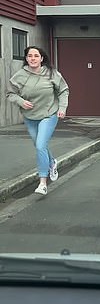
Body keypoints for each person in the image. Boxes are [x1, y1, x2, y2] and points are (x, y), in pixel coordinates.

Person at [7, 46, 69, 196]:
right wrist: (21, 101)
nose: (33, 58)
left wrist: (62, 107)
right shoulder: (19, 76)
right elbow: (10, 94)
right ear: (26, 59)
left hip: (49, 114)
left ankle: (42, 182)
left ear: (42, 58)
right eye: (30, 56)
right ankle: (52, 162)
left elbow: (63, 90)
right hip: (30, 116)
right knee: (38, 145)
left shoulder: (51, 73)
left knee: (40, 144)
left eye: (36, 56)